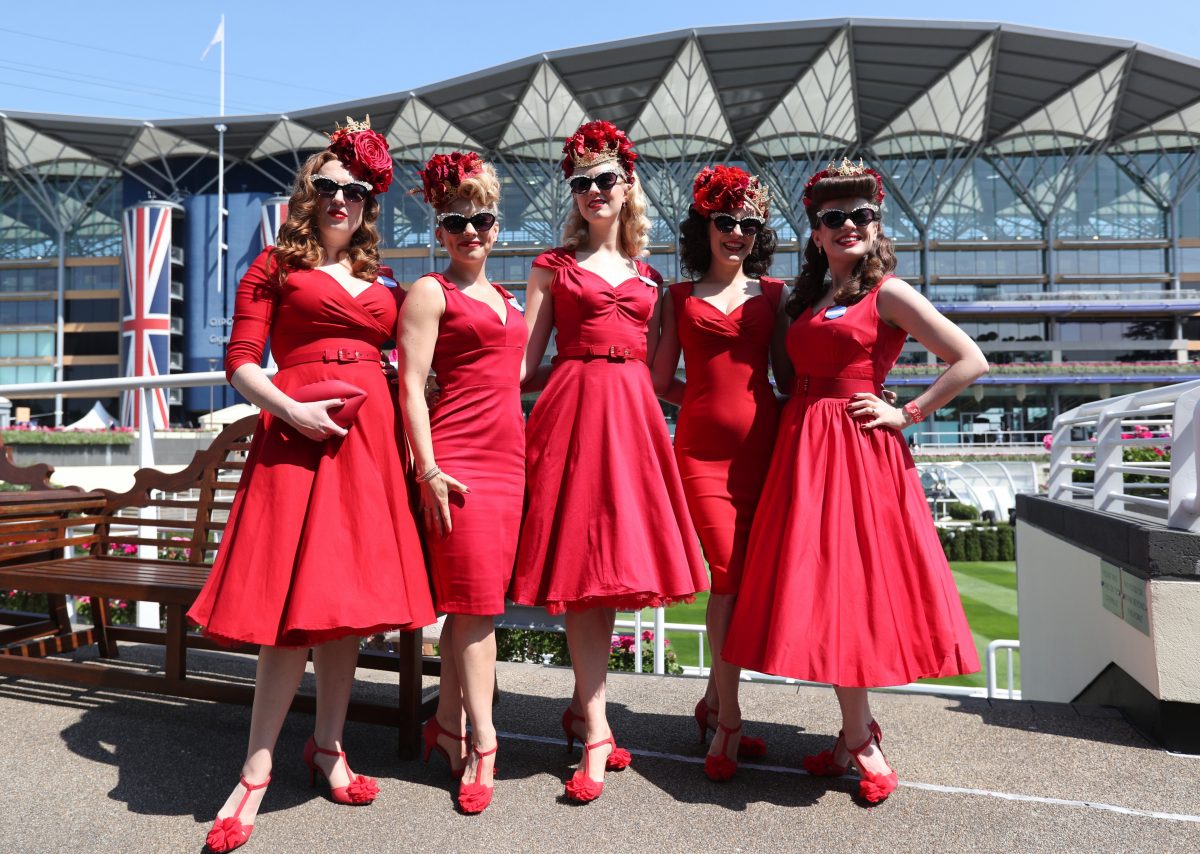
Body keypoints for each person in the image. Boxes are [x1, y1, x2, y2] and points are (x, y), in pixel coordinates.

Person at [188, 118, 435, 851]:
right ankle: (257, 767)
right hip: (295, 445)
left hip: (368, 452)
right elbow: (238, 360)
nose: (340, 200)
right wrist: (290, 407)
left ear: (367, 203)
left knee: (345, 606)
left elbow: (418, 367)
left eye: (354, 191)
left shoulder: (386, 282)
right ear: (306, 193)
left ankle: (328, 746)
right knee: (289, 612)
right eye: (326, 186)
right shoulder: (271, 266)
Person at [723, 158, 987, 805]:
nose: (848, 226)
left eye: (861, 215)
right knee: (820, 593)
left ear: (877, 224)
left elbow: (970, 358)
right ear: (815, 231)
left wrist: (908, 412)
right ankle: (852, 735)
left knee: (849, 592)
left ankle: (861, 737)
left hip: (857, 454)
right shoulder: (808, 299)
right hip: (803, 450)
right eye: (833, 217)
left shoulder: (887, 293)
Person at [508, 120, 708, 803]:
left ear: (628, 188)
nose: (594, 191)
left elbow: (661, 376)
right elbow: (522, 366)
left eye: (606, 179)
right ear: (574, 193)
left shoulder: (651, 277)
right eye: (582, 182)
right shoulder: (551, 267)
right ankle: (595, 727)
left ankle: (584, 709)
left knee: (614, 572)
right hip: (572, 412)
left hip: (633, 419)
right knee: (582, 571)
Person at [398, 152, 525, 814]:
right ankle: (485, 742)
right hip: (459, 463)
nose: (471, 231)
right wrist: (429, 468)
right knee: (476, 609)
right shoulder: (429, 292)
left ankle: (444, 726)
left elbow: (515, 379)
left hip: (511, 464)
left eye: (482, 220)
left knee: (470, 606)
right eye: (457, 221)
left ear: (497, 227)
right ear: (440, 230)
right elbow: (411, 387)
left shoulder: (508, 299)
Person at [650, 166, 782, 781]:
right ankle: (729, 719)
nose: (736, 233)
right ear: (704, 227)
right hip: (701, 458)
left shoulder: (776, 296)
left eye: (748, 225)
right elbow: (656, 383)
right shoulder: (676, 298)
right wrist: (702, 400)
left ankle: (711, 701)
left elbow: (790, 376)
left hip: (767, 455)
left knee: (749, 584)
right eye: (725, 222)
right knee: (725, 577)